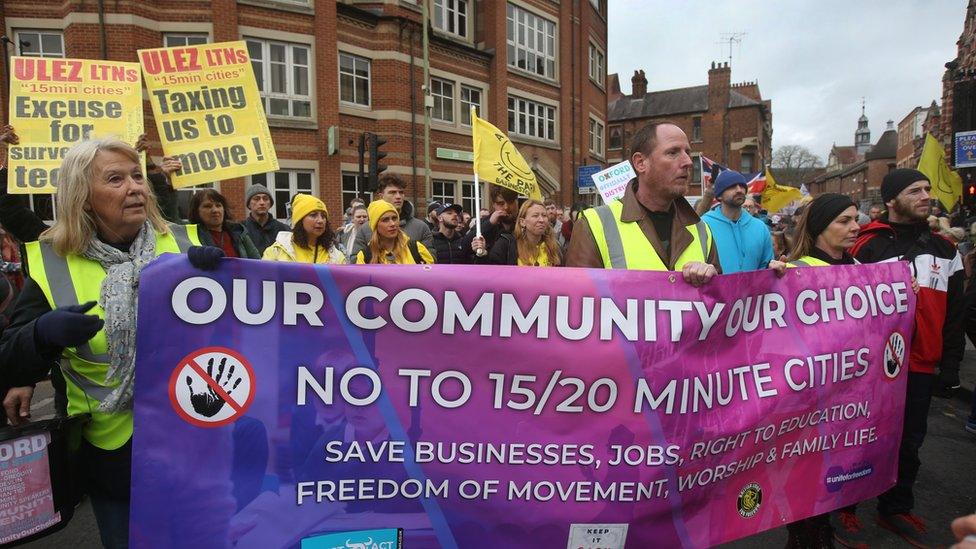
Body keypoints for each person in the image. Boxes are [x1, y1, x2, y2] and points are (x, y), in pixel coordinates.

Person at [0, 137, 201, 548]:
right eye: (116, 179)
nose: (135, 188)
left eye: (138, 177)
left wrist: (233, 281)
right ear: (84, 197)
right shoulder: (51, 259)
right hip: (114, 457)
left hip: (198, 445)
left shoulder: (184, 244)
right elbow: (8, 360)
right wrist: (40, 336)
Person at [833, 168, 965, 548]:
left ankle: (895, 506)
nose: (926, 195)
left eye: (927, 188)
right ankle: (846, 504)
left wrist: (950, 366)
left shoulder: (946, 249)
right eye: (915, 190)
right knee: (861, 436)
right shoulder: (865, 247)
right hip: (872, 368)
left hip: (922, 364)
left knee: (910, 440)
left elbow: (955, 315)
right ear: (892, 200)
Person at [767, 193, 861, 549]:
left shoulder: (863, 271)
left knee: (835, 474)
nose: (854, 227)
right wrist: (769, 281)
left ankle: (824, 533)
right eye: (844, 221)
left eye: (856, 219)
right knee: (807, 480)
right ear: (821, 226)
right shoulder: (794, 271)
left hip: (849, 399)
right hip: (808, 403)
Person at [564, 121, 720, 286]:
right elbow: (579, 303)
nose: (688, 161)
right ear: (640, 163)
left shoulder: (702, 230)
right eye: (673, 152)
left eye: (687, 152)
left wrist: (711, 280)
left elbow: (719, 302)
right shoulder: (594, 224)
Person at [701, 169, 774, 273]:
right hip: (716, 289)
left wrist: (774, 268)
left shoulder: (760, 227)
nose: (739, 190)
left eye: (742, 186)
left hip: (754, 289)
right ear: (719, 196)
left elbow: (766, 266)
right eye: (732, 187)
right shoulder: (704, 225)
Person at [351, 174, 433, 258]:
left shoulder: (420, 227)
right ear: (381, 196)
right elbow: (356, 261)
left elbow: (430, 261)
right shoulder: (365, 229)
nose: (398, 196)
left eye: (401, 192)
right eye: (392, 192)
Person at [263, 194, 345, 264]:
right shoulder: (276, 252)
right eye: (313, 215)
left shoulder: (336, 257)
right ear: (299, 220)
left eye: (323, 216)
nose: (320, 220)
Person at [485, 199, 562, 266]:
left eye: (544, 215)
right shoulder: (506, 245)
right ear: (522, 222)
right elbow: (492, 274)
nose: (541, 220)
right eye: (535, 216)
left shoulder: (555, 247)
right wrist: (482, 255)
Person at [355, 199, 433, 264]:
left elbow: (430, 276)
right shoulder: (365, 256)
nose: (392, 224)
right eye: (385, 220)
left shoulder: (416, 249)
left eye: (394, 218)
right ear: (375, 226)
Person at [189, 189, 260, 259]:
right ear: (196, 211)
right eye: (208, 206)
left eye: (218, 205)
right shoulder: (191, 235)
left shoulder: (239, 232)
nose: (215, 210)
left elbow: (258, 263)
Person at [242, 184, 289, 255]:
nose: (262, 202)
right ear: (249, 204)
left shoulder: (283, 229)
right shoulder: (241, 230)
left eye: (265, 198)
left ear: (270, 204)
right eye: (256, 199)